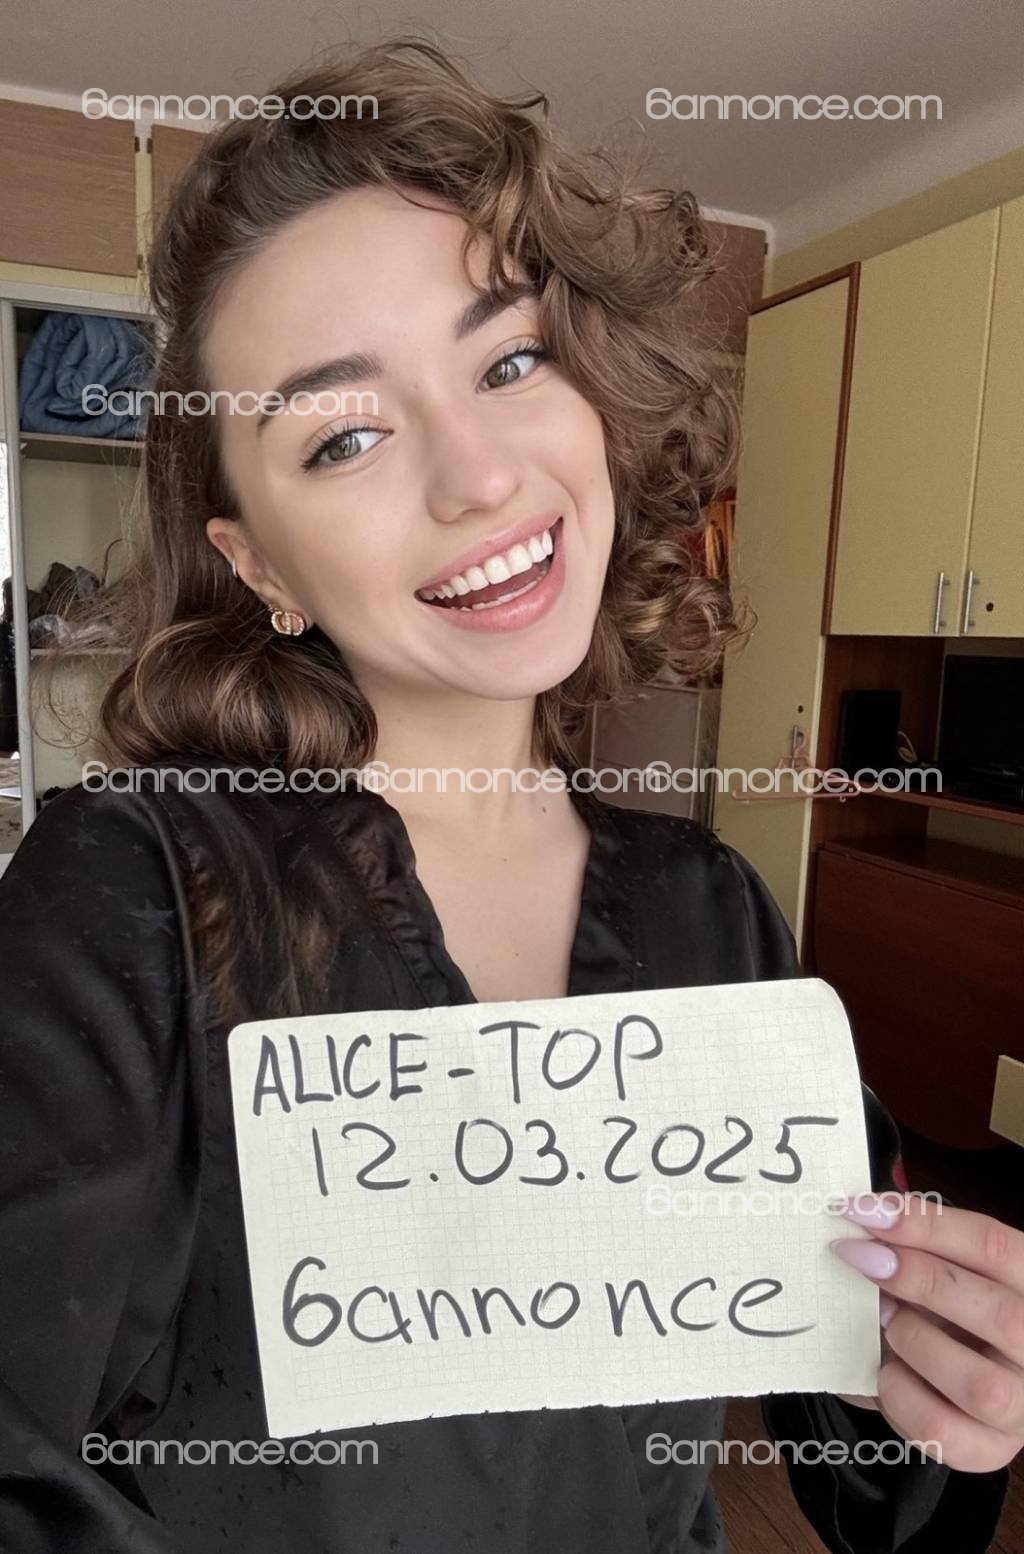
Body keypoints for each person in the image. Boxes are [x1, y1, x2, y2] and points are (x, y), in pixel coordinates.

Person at [0, 37, 1018, 1554]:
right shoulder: (127, 900)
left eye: (509, 361)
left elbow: (867, 1467)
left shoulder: (711, 912)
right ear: (259, 562)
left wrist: (959, 1380)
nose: (476, 476)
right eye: (346, 436)